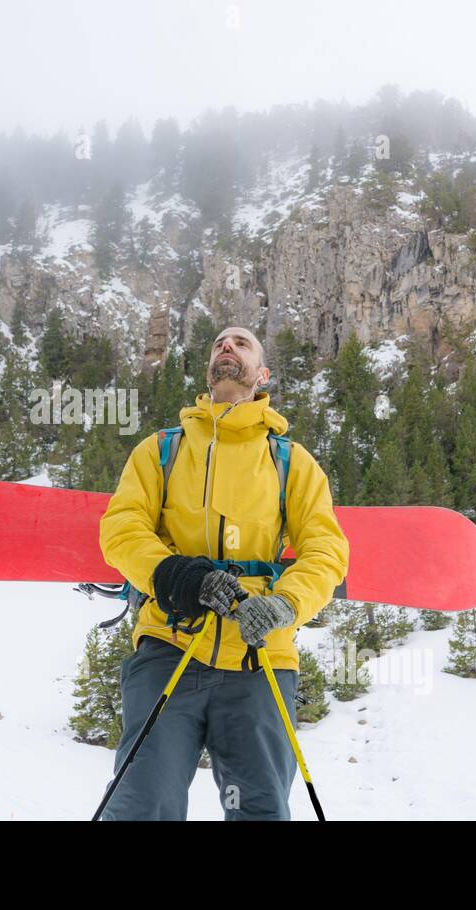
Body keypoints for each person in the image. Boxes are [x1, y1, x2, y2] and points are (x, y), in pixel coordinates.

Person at [96, 326, 350, 820]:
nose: (227, 348)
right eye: (218, 344)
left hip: (261, 659)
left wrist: (285, 604)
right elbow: (121, 530)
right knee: (142, 804)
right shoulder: (160, 451)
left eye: (241, 344)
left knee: (261, 809)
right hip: (170, 646)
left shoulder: (291, 463)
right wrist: (177, 578)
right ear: (209, 369)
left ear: (262, 373)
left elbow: (326, 551)